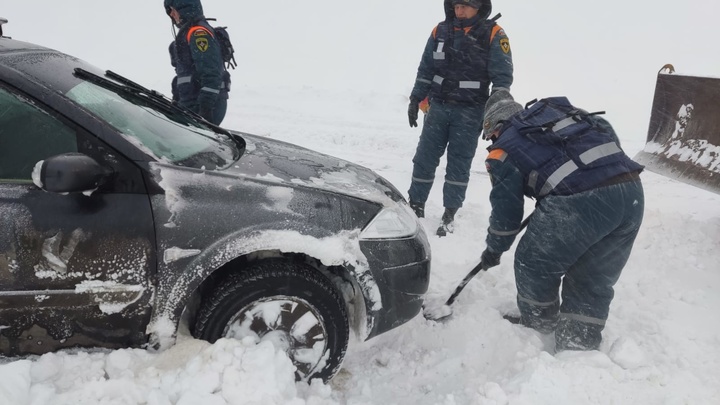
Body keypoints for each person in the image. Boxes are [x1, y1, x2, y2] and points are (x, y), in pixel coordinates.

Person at [479, 89, 645, 351]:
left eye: (491, 136)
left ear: (496, 127)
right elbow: (603, 127)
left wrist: (494, 249)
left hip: (581, 201)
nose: (493, 141)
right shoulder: (558, 119)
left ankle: (538, 326)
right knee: (593, 274)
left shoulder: (503, 150)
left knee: (533, 262)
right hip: (631, 191)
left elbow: (506, 212)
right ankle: (580, 340)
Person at [407, 0, 513, 237]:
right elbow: (425, 69)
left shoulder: (494, 33)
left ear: (479, 7)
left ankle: (449, 214)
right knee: (424, 158)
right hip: (438, 107)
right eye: (456, 6)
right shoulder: (440, 30)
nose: (459, 11)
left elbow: (502, 79)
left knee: (459, 163)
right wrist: (416, 98)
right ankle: (415, 205)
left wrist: (496, 114)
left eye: (465, 6)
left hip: (470, 111)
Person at [165, 0, 229, 125]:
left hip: (202, 106)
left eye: (172, 10)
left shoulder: (198, 33)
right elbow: (185, 74)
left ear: (183, 7)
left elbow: (211, 73)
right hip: (189, 104)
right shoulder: (186, 33)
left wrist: (205, 110)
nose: (172, 15)